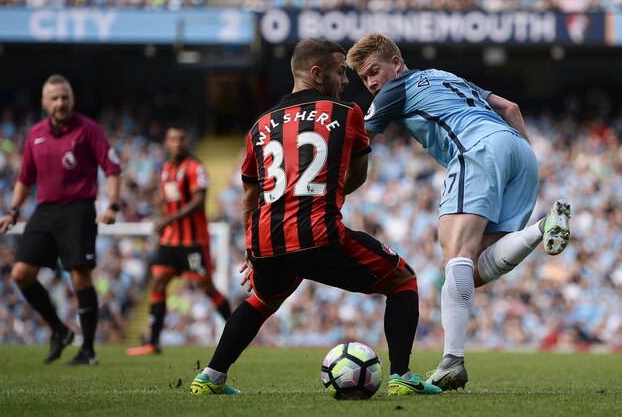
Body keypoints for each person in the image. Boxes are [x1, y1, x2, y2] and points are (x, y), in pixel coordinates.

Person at [188, 38, 442, 396]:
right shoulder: (347, 111)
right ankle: (401, 376)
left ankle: (210, 377)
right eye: (341, 71)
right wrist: (325, 194)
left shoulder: (259, 125)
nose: (346, 80)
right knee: (402, 281)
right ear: (316, 72)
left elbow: (250, 194)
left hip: (265, 239)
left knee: (262, 300)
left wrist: (250, 246)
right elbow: (358, 174)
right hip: (318, 234)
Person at [347, 33, 571, 390]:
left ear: (396, 62)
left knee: (455, 257)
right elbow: (511, 108)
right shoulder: (443, 74)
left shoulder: (395, 89)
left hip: (477, 149)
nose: (372, 82)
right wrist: (524, 159)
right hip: (520, 150)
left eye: (375, 71)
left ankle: (452, 362)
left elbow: (357, 138)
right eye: (364, 78)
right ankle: (539, 229)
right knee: (475, 269)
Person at [0, 74, 121, 365]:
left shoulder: (89, 130)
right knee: (20, 274)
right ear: (44, 102)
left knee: (80, 277)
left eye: (65, 97)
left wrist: (112, 205)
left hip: (78, 210)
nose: (60, 103)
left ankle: (88, 350)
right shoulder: (35, 134)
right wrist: (13, 211)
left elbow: (112, 169)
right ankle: (60, 331)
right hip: (44, 211)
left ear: (72, 100)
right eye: (54, 98)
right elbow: (25, 179)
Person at [126, 124, 231, 357]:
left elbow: (198, 201)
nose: (177, 144)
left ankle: (237, 332)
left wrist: (168, 218)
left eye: (181, 139)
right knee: (158, 282)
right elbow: (167, 201)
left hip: (193, 241)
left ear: (187, 142)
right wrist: (163, 219)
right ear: (166, 142)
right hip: (170, 241)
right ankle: (153, 343)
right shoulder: (165, 170)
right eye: (172, 139)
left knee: (206, 287)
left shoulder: (195, 167)